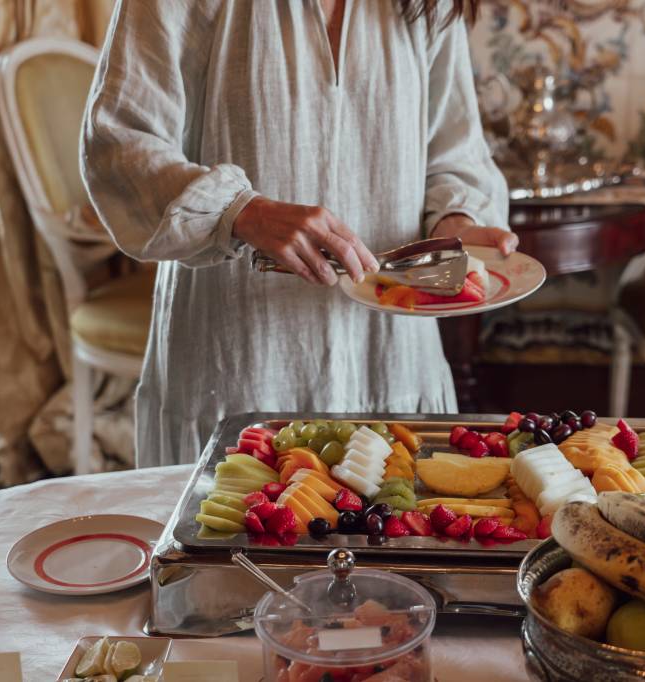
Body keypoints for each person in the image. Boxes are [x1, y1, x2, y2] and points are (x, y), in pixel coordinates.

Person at [81, 0, 514, 467]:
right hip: (239, 369)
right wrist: (243, 211)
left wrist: (456, 223)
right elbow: (117, 143)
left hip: (392, 364)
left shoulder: (428, 6)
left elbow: (455, 154)